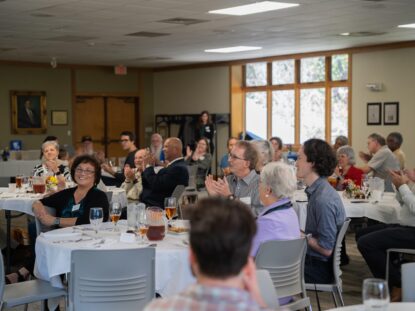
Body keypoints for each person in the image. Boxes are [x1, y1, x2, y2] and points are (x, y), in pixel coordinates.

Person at [144, 197, 269, 311]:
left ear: (191, 256)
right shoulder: (258, 306)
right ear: (248, 262)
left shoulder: (157, 308)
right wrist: (260, 303)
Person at [357, 168, 415, 301]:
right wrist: (399, 187)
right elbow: (405, 204)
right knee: (361, 234)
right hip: (406, 226)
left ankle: (397, 284)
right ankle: (393, 276)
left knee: (366, 243)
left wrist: (403, 186)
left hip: (412, 231)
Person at [296, 138, 346, 283]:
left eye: (299, 158)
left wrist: (300, 234)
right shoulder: (319, 190)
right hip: (315, 262)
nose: (296, 163)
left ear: (312, 163)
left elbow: (326, 249)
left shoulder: (322, 199)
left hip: (319, 268)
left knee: (264, 268)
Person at [250, 162, 300, 305]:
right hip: (286, 291)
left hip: (261, 295)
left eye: (260, 182)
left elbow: (243, 259)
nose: (258, 186)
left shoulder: (266, 223)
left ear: (268, 189)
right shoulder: (290, 212)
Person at [33, 154, 109, 227]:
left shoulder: (99, 196)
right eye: (79, 169)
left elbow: (88, 221)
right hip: (61, 238)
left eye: (88, 170)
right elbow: (39, 201)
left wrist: (55, 220)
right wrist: (40, 209)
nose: (82, 173)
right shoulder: (67, 194)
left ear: (96, 175)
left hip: (90, 238)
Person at [205, 140, 263, 216]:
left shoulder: (261, 184)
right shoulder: (227, 180)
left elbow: (259, 214)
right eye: (230, 155)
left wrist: (230, 197)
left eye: (234, 157)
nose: (229, 160)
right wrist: (215, 198)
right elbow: (219, 215)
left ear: (247, 163)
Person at [140, 137, 189, 208]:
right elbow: (158, 181)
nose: (163, 149)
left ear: (175, 150)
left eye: (166, 146)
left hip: (154, 207)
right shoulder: (175, 166)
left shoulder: (178, 169)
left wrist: (149, 167)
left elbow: (156, 184)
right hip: (150, 203)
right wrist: (146, 169)